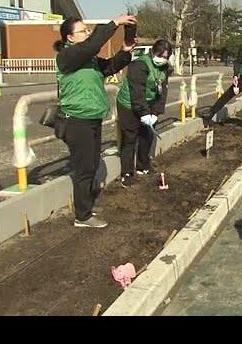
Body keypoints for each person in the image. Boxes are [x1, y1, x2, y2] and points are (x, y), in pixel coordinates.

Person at [55, 15, 137, 228]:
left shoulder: (88, 60)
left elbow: (110, 67)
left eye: (87, 30)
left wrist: (126, 50)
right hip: (76, 120)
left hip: (91, 117)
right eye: (83, 31)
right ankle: (82, 217)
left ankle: (86, 206)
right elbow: (91, 47)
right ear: (70, 37)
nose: (88, 34)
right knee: (84, 167)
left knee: (91, 165)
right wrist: (114, 23)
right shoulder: (67, 56)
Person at [116, 39, 173, 188]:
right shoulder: (139, 65)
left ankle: (143, 165)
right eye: (160, 56)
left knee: (147, 135)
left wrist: (155, 111)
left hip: (148, 104)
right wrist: (143, 113)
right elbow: (137, 91)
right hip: (128, 104)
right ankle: (126, 173)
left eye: (166, 57)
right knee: (130, 137)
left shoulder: (165, 68)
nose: (163, 59)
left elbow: (163, 90)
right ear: (153, 52)